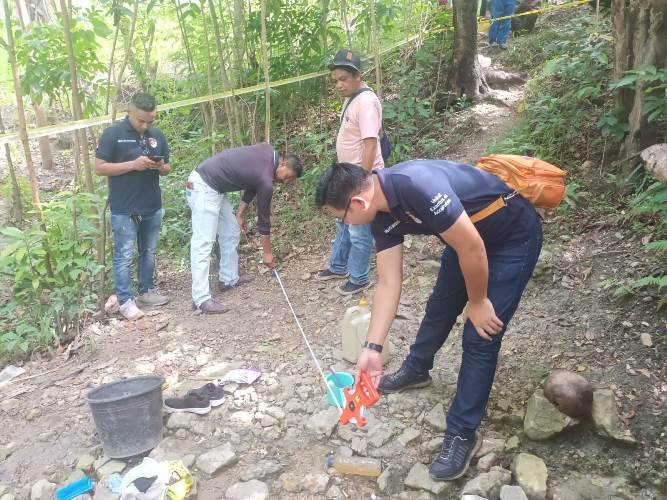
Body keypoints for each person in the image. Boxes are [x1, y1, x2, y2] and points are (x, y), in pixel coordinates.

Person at [315, 160, 542, 480]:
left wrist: (477, 302)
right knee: (439, 307)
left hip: (511, 236)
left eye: (342, 218)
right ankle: (416, 369)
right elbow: (389, 282)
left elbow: (474, 247)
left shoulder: (416, 185)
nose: (347, 224)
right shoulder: (379, 213)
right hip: (464, 238)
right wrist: (372, 347)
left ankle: (463, 432)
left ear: (357, 202)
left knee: (480, 335)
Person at [186, 144, 303, 314]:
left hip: (216, 189)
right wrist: (267, 253)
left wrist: (240, 213)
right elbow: (264, 221)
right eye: (288, 177)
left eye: (290, 181)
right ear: (283, 163)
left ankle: (228, 279)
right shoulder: (266, 179)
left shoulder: (267, 154)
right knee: (203, 242)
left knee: (232, 230)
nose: (286, 182)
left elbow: (251, 183)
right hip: (203, 185)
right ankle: (200, 299)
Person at [95, 92, 171, 321]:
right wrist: (132, 165)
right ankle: (126, 301)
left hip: (151, 205)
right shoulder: (112, 135)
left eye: (151, 120)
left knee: (148, 252)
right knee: (124, 256)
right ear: (129, 113)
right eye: (141, 120)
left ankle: (146, 292)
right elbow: (99, 168)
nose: (146, 125)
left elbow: (167, 167)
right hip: (124, 208)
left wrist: (159, 167)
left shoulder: (157, 135)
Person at [315, 49, 384, 295]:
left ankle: (359, 277)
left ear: (358, 75)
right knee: (344, 222)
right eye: (335, 80)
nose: (339, 85)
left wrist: (362, 181)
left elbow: (370, 143)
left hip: (360, 178)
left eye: (344, 79)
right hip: (349, 176)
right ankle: (338, 265)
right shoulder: (351, 98)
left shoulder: (365, 102)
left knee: (358, 229)